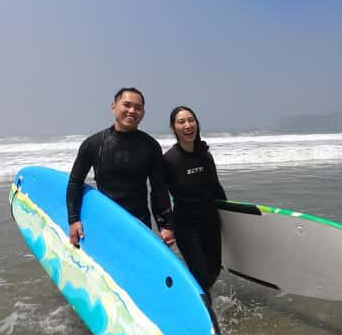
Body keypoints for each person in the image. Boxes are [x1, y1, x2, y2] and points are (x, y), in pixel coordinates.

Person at [66, 87, 174, 247]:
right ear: (113, 106)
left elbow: (159, 189)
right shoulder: (94, 144)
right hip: (103, 221)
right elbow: (75, 183)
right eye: (127, 105)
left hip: (138, 223)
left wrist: (165, 225)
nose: (132, 111)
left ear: (143, 113)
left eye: (138, 108)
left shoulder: (150, 146)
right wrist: (73, 220)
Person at [163, 105, 227, 294]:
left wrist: (230, 215)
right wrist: (167, 225)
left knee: (214, 270)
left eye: (191, 120)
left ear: (197, 124)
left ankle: (197, 300)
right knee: (201, 274)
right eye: (181, 121)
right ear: (173, 128)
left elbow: (216, 188)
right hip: (186, 224)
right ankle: (206, 318)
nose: (187, 125)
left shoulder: (205, 155)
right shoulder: (169, 160)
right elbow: (161, 195)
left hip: (210, 220)